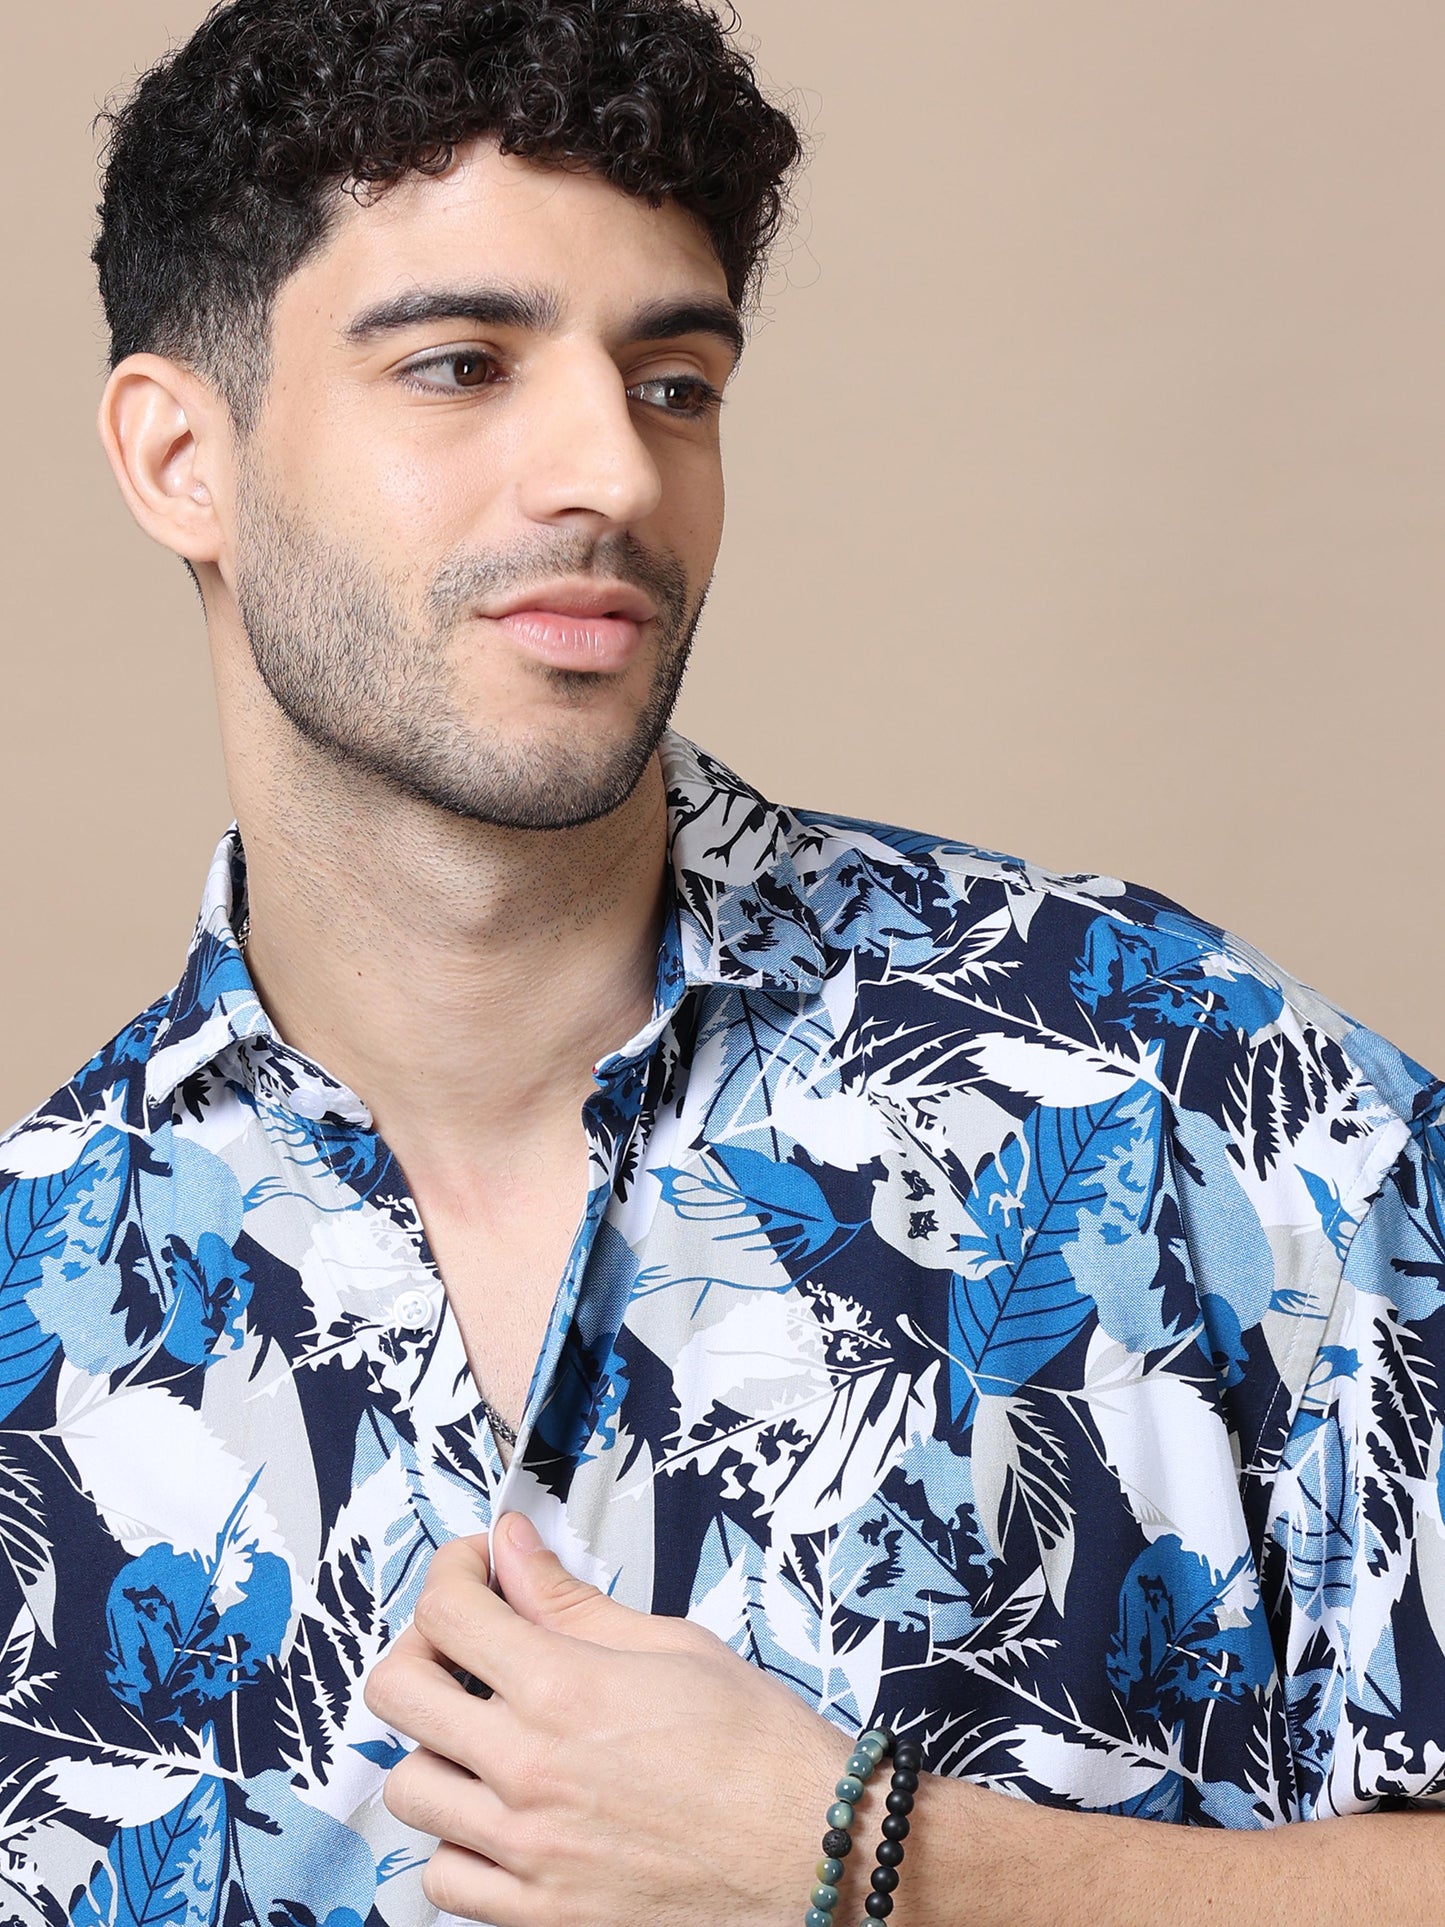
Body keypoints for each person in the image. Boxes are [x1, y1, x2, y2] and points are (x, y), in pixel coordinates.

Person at [0, 0, 1441, 1921]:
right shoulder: (29, 1323)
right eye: (460, 366)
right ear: (180, 454)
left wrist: (891, 1870)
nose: (611, 470)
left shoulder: (1184, 1088)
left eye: (673, 382)